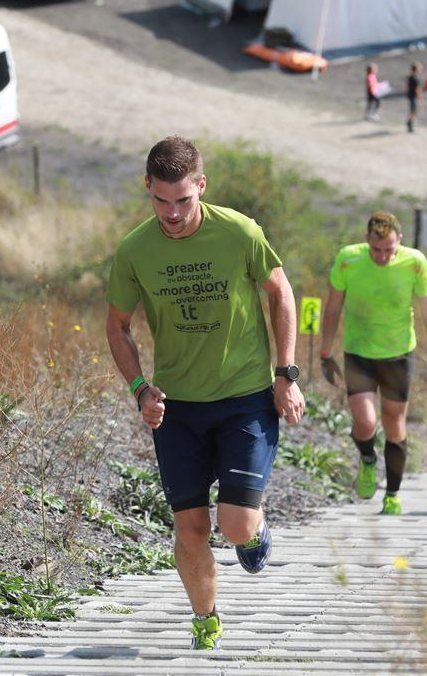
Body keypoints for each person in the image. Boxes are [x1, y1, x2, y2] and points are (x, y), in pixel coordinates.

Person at [105, 136, 305, 652]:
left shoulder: (239, 232)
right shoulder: (134, 250)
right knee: (190, 528)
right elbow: (117, 326)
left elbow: (281, 292)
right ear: (147, 187)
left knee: (234, 526)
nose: (172, 213)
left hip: (244, 398)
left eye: (183, 200)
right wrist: (140, 389)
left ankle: (253, 531)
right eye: (161, 200)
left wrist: (286, 373)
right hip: (177, 409)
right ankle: (205, 622)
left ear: (202, 185)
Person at [318, 211, 427, 516]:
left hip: (398, 355)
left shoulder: (415, 262)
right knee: (365, 422)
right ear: (366, 240)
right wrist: (325, 353)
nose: (382, 256)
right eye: (376, 249)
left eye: (389, 249)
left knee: (394, 422)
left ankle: (392, 494)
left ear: (399, 240)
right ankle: (367, 459)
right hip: (359, 353)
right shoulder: (348, 259)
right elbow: (333, 307)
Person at [406, 62, 422, 133]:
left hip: (410, 95)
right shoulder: (416, 79)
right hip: (413, 97)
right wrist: (421, 99)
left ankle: (409, 122)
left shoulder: (410, 77)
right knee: (414, 111)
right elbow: (418, 90)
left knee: (412, 110)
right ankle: (410, 124)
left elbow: (407, 87)